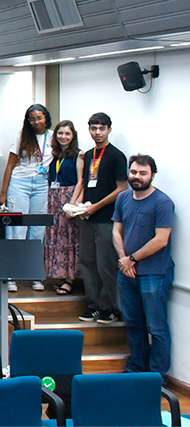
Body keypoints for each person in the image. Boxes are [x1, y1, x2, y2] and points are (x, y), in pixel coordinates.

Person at [113, 155, 175, 374]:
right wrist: (124, 259)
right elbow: (116, 230)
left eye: (142, 173)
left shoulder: (163, 202)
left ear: (153, 175)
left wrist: (132, 259)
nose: (136, 177)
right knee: (133, 323)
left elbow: (161, 239)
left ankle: (158, 376)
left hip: (154, 274)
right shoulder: (123, 198)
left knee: (156, 327)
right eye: (133, 172)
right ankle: (136, 369)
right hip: (127, 272)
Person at [75, 113, 128, 323]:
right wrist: (78, 205)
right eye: (94, 128)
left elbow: (122, 188)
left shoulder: (116, 155)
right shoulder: (88, 155)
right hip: (87, 218)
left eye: (101, 128)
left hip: (107, 218)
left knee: (106, 264)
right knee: (87, 263)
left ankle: (109, 308)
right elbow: (85, 183)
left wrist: (96, 206)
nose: (97, 133)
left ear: (109, 130)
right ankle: (94, 305)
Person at [0, 104, 53, 292]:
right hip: (19, 183)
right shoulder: (21, 137)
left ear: (46, 117)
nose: (36, 122)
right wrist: (3, 194)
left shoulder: (53, 137)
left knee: (38, 230)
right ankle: (11, 275)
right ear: (28, 121)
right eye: (32, 119)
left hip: (42, 184)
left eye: (40, 117)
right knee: (16, 229)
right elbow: (10, 166)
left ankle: (34, 274)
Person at [46, 120, 81, 296]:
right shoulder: (56, 155)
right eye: (60, 133)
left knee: (70, 238)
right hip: (54, 198)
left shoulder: (78, 156)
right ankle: (61, 275)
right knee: (57, 237)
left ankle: (70, 278)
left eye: (67, 133)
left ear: (73, 135)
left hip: (69, 199)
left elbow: (81, 181)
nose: (63, 137)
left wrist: (73, 204)